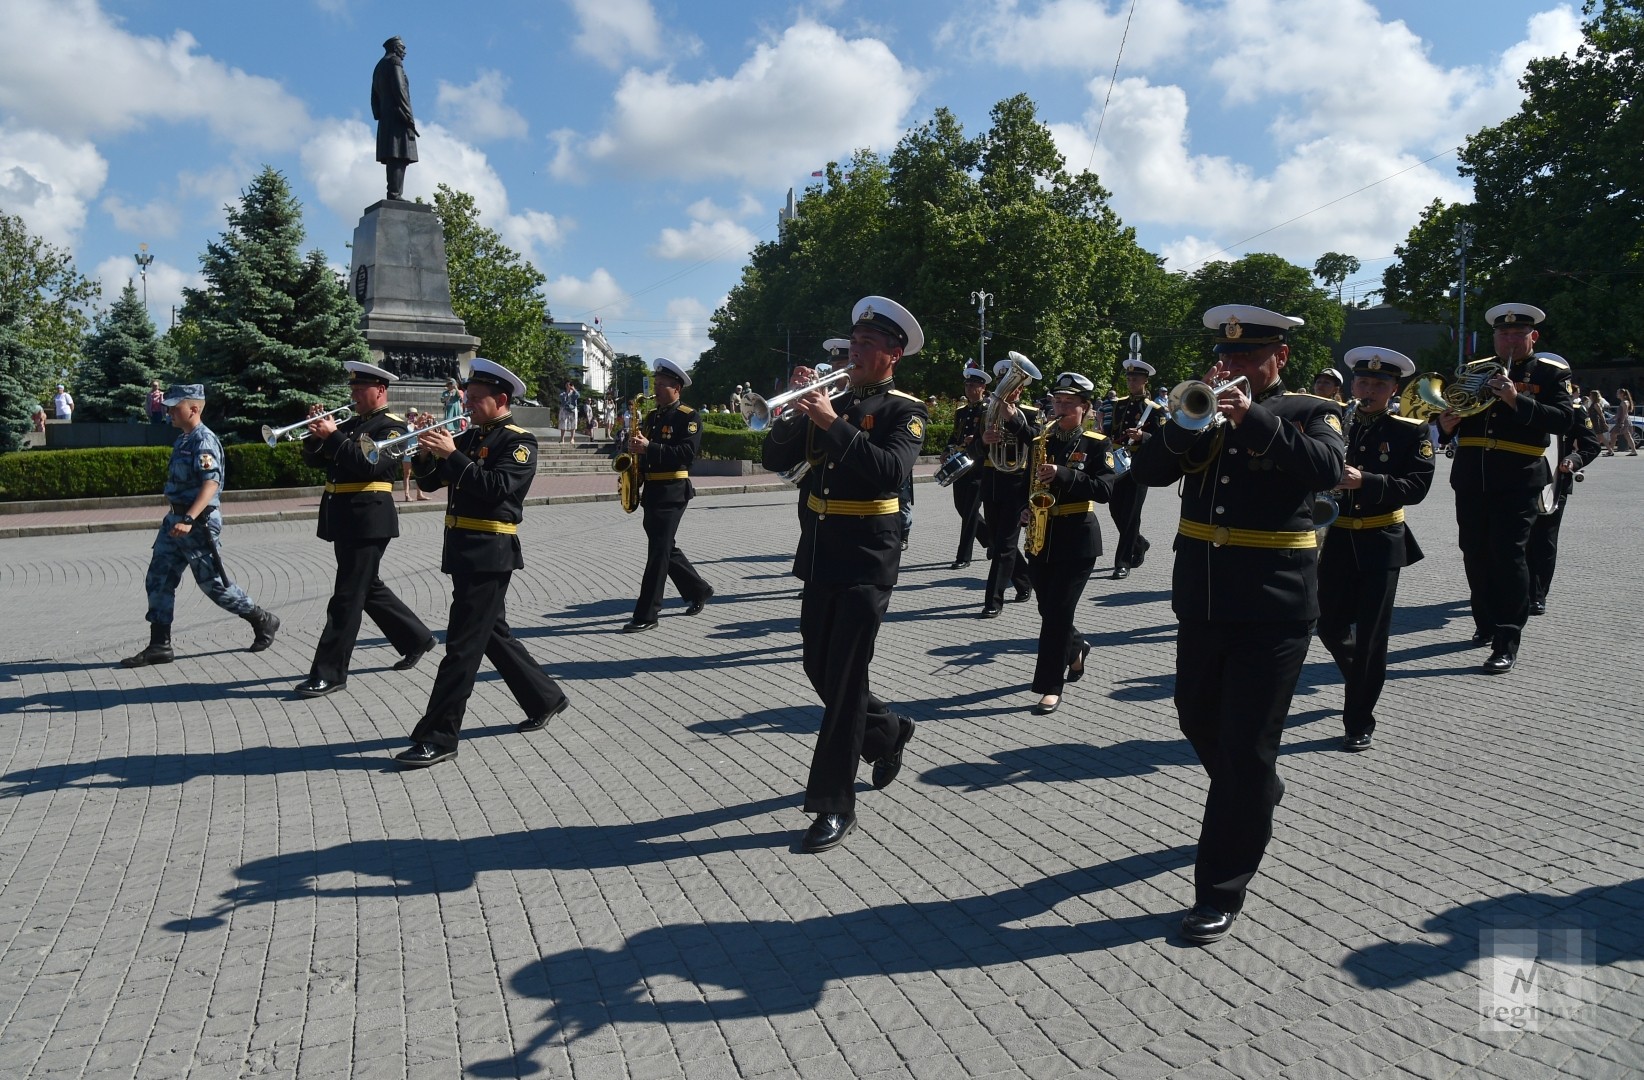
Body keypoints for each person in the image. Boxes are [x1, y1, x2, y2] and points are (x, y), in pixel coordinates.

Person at [1129, 304, 1344, 945]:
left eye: (1252, 357)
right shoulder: (1200, 411)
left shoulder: (1309, 411)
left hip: (1275, 601)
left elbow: (1328, 470)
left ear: (1279, 358)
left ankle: (1218, 888)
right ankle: (1257, 791)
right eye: (1230, 358)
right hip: (1204, 594)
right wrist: (1183, 425)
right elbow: (1147, 474)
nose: (1237, 368)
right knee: (1196, 716)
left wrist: (1250, 420)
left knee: (1246, 742)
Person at [761, 295, 927, 854]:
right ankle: (886, 732)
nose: (854, 354)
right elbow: (776, 461)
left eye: (868, 346)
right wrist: (791, 412)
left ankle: (833, 804)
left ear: (892, 356)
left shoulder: (907, 411)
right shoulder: (829, 401)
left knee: (845, 681)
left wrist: (832, 423)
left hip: (868, 558)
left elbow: (887, 473)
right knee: (820, 667)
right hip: (821, 551)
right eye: (853, 344)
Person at [397, 358, 571, 767]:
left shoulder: (519, 441)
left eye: (475, 399)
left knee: (461, 648)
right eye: (467, 397)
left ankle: (440, 736)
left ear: (501, 399)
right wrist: (426, 454)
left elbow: (496, 489)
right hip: (463, 549)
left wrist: (452, 455)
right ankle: (545, 697)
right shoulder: (473, 437)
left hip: (490, 553)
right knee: (492, 634)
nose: (468, 404)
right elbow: (429, 483)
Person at [1436, 303, 1579, 674]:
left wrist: (1516, 399)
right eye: (1504, 334)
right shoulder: (1473, 371)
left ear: (1534, 337)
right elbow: (1456, 418)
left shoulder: (1548, 375)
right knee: (1474, 552)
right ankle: (1484, 621)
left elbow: (1564, 420)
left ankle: (1506, 637)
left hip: (1518, 477)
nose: (1511, 340)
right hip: (1471, 476)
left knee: (1509, 556)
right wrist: (1446, 425)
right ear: (1495, 337)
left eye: (1519, 334)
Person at [293, 361, 439, 698]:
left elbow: (366, 465)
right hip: (343, 516)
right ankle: (417, 638)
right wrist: (317, 437)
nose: (354, 395)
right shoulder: (352, 423)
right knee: (367, 587)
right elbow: (318, 462)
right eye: (353, 389)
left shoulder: (393, 429)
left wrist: (333, 436)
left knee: (346, 597)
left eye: (361, 390)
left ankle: (330, 673)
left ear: (380, 391)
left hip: (369, 519)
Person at [1314, 348, 1435, 752]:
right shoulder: (1333, 423)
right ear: (1353, 384)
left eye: (1379, 385)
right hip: (1337, 538)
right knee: (1329, 627)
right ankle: (1362, 680)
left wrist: (1365, 480)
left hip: (1382, 541)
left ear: (1393, 389)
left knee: (1371, 638)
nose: (1368, 391)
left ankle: (1359, 719)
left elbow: (1417, 488)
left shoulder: (1409, 430)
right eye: (1363, 383)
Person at [121, 384, 281, 667]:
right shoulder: (184, 439)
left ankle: (262, 619)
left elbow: (211, 484)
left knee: (213, 586)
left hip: (196, 523)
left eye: (175, 406)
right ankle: (160, 646)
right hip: (176, 521)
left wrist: (188, 518)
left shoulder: (203, 441)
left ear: (193, 409)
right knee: (158, 579)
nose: (169, 411)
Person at [1024, 373, 1116, 715]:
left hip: (1078, 539)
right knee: (1049, 610)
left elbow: (1106, 490)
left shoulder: (1097, 444)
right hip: (1040, 536)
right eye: (1057, 402)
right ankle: (1076, 650)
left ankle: (1050, 686)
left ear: (1086, 408)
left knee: (1057, 615)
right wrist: (1025, 508)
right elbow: (1028, 483)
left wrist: (1064, 474)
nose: (1059, 408)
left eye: (1068, 403)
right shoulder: (1041, 440)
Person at [624, 357, 714, 633]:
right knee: (665, 548)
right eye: (656, 383)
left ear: (677, 388)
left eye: (663, 385)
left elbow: (686, 454)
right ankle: (698, 589)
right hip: (652, 489)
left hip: (674, 490)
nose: (657, 389)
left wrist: (649, 447)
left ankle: (647, 613)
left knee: (657, 553)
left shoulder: (688, 416)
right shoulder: (652, 416)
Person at [1528, 355, 1604, 615]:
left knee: (1543, 540)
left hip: (1555, 481)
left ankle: (1537, 595)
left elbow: (1590, 445)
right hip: (1517, 480)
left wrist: (1573, 460)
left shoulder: (1573, 410)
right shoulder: (1520, 404)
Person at [979, 353, 1040, 617]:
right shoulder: (987, 412)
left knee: (1003, 546)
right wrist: (983, 439)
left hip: (1017, 484)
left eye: (1015, 385)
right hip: (992, 481)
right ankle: (1025, 581)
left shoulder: (1031, 413)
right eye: (1007, 384)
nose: (1012, 390)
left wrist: (1014, 420)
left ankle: (993, 601)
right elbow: (973, 451)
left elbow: (1037, 443)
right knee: (997, 541)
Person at [1107, 356, 1165, 579]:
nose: (1131, 382)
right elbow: (1112, 433)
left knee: (1131, 514)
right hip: (1118, 464)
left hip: (1139, 465)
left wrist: (1144, 436)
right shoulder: (1119, 404)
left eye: (1135, 379)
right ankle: (1139, 543)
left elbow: (1162, 440)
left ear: (1145, 381)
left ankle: (1122, 562)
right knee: (1115, 510)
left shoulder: (1154, 409)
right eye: (1129, 378)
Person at [945, 363, 993, 570]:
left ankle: (963, 556)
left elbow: (991, 436)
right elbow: (955, 435)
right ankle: (992, 541)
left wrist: (977, 439)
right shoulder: (962, 411)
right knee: (961, 508)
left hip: (979, 466)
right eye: (967, 385)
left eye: (974, 385)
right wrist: (947, 449)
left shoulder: (989, 410)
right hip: (960, 464)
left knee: (971, 512)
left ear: (982, 388)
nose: (969, 388)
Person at [371, 36, 419, 201]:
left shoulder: (379, 66)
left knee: (394, 156)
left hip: (386, 118)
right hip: (398, 117)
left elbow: (374, 96)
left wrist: (379, 113)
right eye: (402, 48)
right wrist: (408, 115)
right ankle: (395, 193)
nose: (404, 52)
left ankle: (394, 192)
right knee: (399, 155)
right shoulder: (394, 63)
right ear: (394, 47)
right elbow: (400, 90)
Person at [1604, 388, 1637, 455]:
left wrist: (1622, 422)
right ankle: (1634, 451)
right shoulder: (1624, 402)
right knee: (1627, 436)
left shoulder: (1624, 402)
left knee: (1613, 434)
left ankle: (1611, 451)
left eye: (1618, 393)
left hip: (1623, 421)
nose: (1617, 394)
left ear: (1622, 394)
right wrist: (1613, 418)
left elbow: (1624, 413)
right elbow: (1620, 413)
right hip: (1623, 421)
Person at [557, 380, 579, 444]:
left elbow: (578, 395)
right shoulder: (563, 393)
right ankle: (562, 439)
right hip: (565, 409)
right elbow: (561, 398)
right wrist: (567, 392)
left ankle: (572, 439)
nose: (568, 386)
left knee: (573, 424)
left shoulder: (574, 393)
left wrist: (574, 389)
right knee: (563, 423)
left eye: (569, 385)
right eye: (567, 385)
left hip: (572, 409)